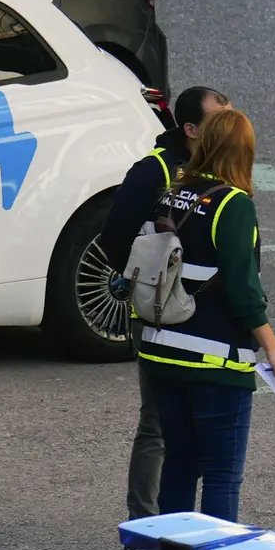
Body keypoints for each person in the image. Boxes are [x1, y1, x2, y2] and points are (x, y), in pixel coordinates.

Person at [136, 108, 275, 520]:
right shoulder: (233, 204)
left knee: (178, 467)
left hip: (160, 353)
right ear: (243, 152)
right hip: (215, 361)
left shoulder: (172, 192)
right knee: (222, 476)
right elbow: (244, 290)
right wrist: (274, 351)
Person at [102, 86, 231, 520]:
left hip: (205, 323)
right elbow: (114, 238)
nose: (229, 125)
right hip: (161, 316)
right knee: (158, 425)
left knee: (197, 428)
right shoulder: (153, 170)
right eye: (218, 118)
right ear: (191, 129)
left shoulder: (222, 171)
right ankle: (145, 528)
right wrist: (149, 286)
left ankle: (178, 526)